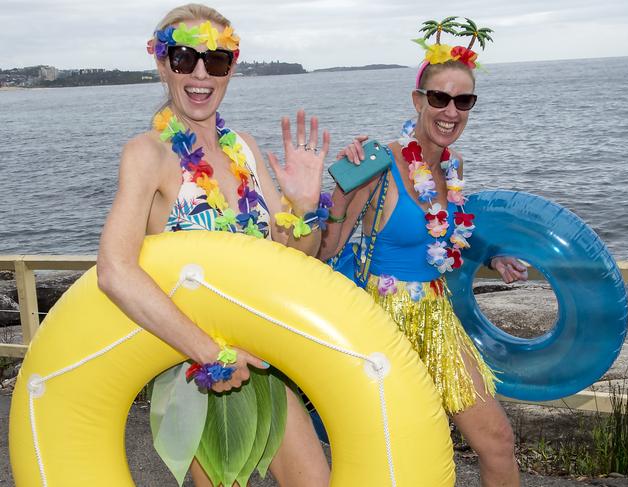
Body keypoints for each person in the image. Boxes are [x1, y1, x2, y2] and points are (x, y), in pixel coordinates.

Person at [96, 4, 330, 487]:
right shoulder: (148, 154)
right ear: (162, 64)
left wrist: (304, 208)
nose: (201, 73)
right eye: (185, 58)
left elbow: (291, 260)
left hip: (266, 359)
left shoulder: (242, 146)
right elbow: (114, 270)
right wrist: (209, 353)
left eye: (217, 61)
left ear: (231, 68)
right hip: (197, 371)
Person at [319, 18, 526, 487]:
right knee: (398, 460)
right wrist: (334, 193)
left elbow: (443, 237)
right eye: (439, 98)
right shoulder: (377, 163)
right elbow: (327, 249)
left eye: (463, 100)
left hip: (437, 318)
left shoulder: (453, 166)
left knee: (497, 442)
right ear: (418, 100)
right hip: (382, 325)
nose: (451, 111)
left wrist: (491, 256)